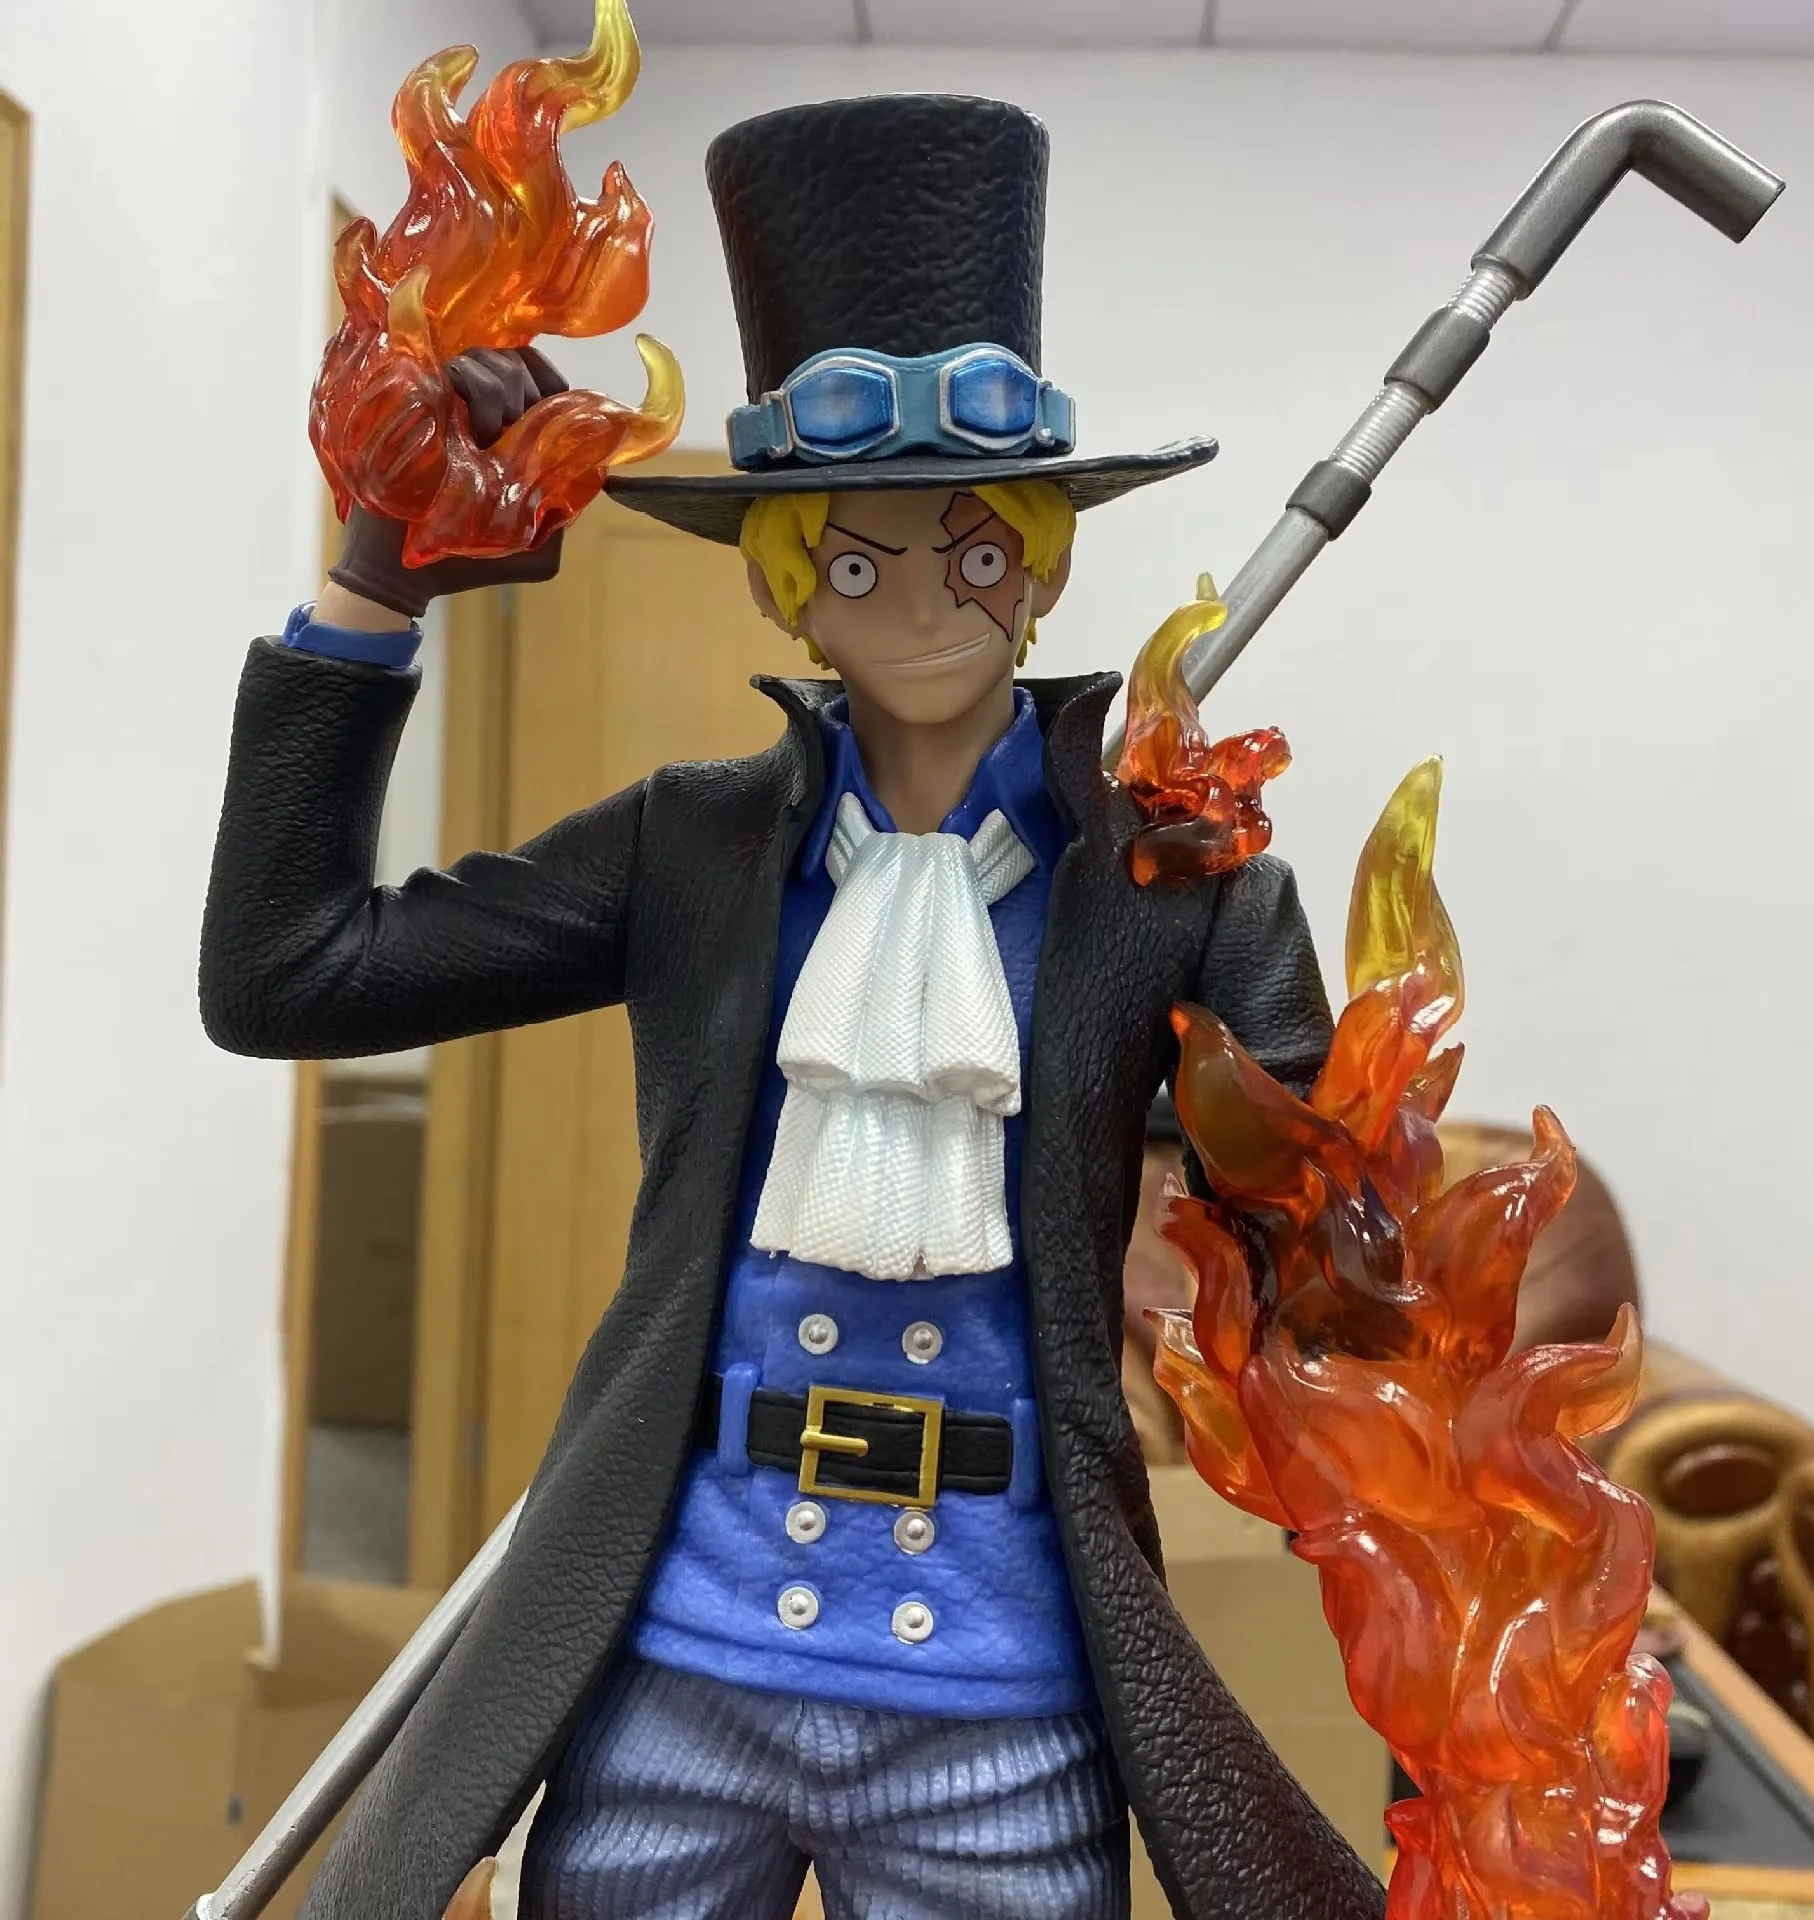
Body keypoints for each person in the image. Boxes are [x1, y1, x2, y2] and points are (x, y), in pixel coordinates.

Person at [203, 94, 1383, 1920]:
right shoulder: (691, 847)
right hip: (680, 1673)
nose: (920, 603)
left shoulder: (1171, 878)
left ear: (1041, 561)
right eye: (856, 560)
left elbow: (1332, 1268)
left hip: (1004, 1701)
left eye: (973, 549)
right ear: (790, 593)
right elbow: (290, 972)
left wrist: (1298, 1129)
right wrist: (377, 589)